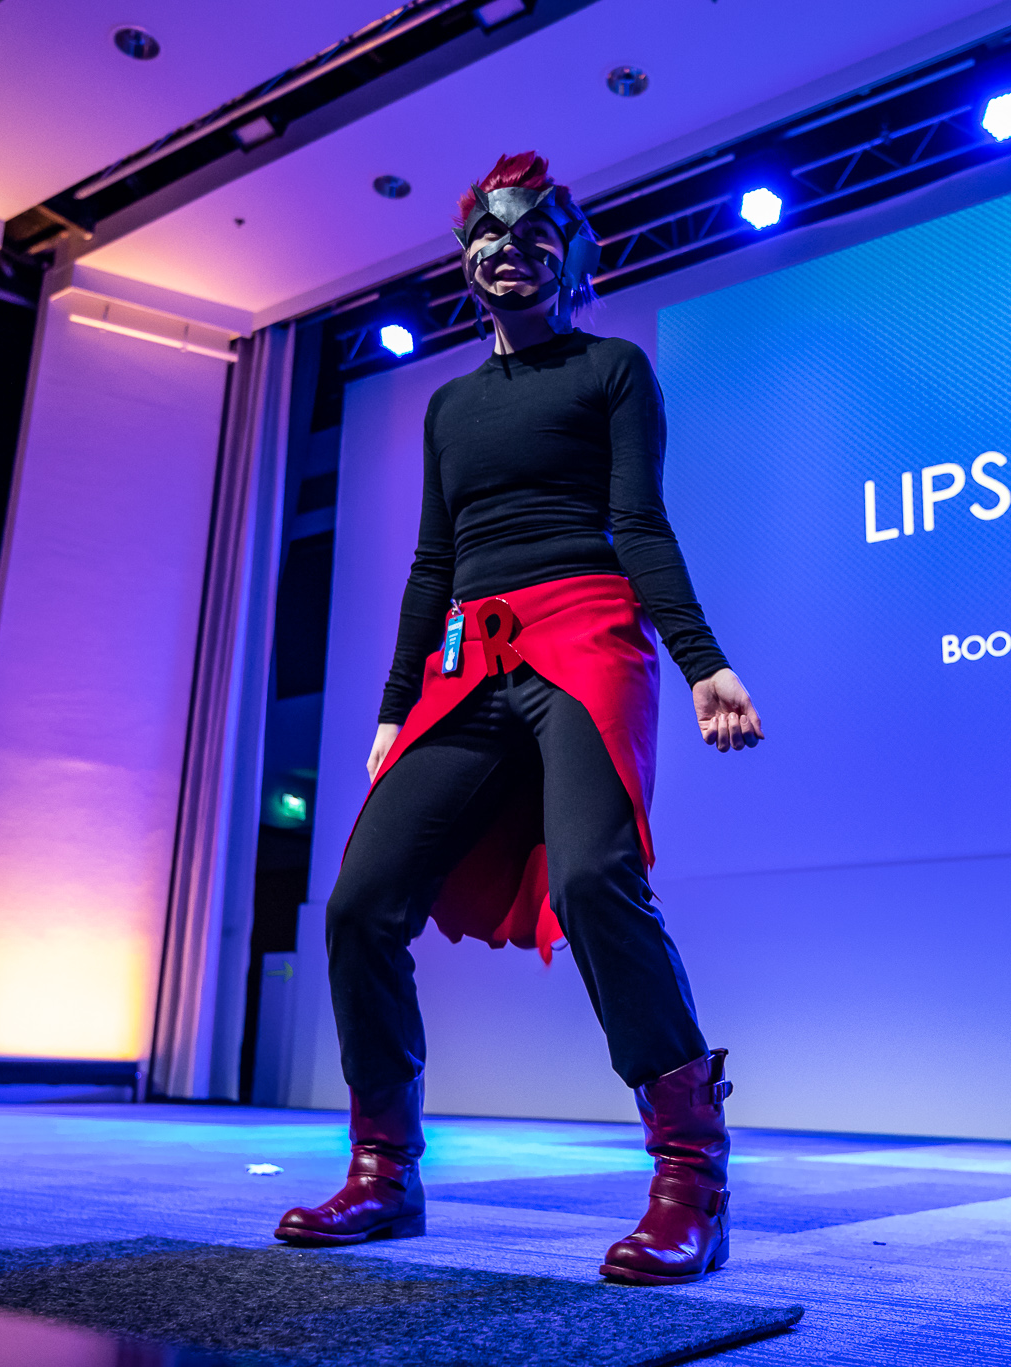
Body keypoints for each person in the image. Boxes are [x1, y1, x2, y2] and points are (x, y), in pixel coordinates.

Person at [273, 151, 763, 1286]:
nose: (509, 250)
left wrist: (702, 662)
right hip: (464, 660)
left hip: (586, 633)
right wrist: (393, 706)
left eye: (535, 233)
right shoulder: (449, 407)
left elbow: (640, 524)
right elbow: (430, 562)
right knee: (358, 902)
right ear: (467, 261)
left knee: (595, 879)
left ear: (570, 256)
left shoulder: (612, 370)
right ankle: (384, 1172)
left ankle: (692, 1179)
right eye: (488, 235)